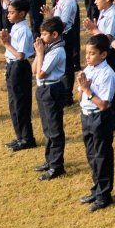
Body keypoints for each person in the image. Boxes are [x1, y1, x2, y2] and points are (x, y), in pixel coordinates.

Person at [76, 33, 115, 211]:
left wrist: (87, 89)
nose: (88, 57)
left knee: (102, 156)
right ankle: (97, 189)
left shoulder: (107, 74)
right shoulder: (88, 69)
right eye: (87, 53)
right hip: (86, 116)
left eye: (92, 54)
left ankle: (104, 195)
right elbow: (79, 98)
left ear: (103, 54)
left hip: (99, 118)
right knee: (91, 155)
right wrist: (82, 87)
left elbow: (103, 104)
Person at [31, 16, 69, 181]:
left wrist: (40, 53)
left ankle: (57, 165)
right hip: (42, 89)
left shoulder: (57, 51)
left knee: (54, 129)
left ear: (55, 34)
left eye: (44, 34)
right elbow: (34, 70)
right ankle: (49, 159)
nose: (41, 38)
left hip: (52, 88)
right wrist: (38, 53)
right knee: (47, 128)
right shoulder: (48, 48)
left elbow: (41, 73)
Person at [1, 0, 37, 152]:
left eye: (12, 12)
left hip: (19, 67)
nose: (8, 15)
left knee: (21, 104)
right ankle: (20, 136)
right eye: (8, 12)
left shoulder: (23, 30)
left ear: (22, 13)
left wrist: (6, 44)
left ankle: (27, 138)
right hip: (12, 65)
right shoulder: (16, 27)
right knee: (13, 103)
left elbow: (21, 55)